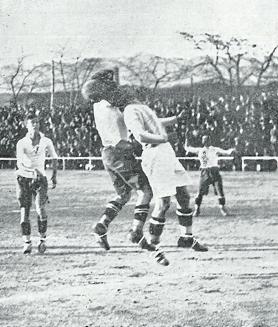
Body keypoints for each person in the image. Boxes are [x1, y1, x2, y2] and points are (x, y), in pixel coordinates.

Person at [81, 70, 168, 265]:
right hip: (119, 152)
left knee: (123, 195)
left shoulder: (98, 105)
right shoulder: (114, 104)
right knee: (145, 191)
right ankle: (136, 231)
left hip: (107, 154)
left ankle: (101, 226)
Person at [117, 86, 208, 254]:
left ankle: (186, 238)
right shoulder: (130, 111)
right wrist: (163, 137)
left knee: (183, 195)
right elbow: (140, 135)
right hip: (155, 153)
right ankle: (154, 243)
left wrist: (176, 119)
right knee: (163, 202)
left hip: (166, 152)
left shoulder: (139, 108)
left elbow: (155, 122)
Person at [16, 113, 58, 254]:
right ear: (26, 125)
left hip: (40, 180)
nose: (35, 125)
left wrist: (54, 175)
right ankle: (27, 243)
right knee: (24, 213)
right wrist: (32, 170)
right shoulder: (21, 143)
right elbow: (20, 162)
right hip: (24, 179)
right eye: (32, 122)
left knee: (40, 209)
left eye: (37, 122)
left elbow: (54, 158)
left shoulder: (46, 141)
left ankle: (42, 240)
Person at [184, 135, 234, 217]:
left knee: (219, 191)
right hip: (204, 172)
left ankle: (223, 209)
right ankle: (197, 209)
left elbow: (226, 152)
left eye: (207, 140)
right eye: (204, 140)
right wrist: (186, 141)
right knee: (200, 192)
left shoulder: (215, 149)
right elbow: (187, 148)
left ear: (210, 141)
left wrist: (231, 150)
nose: (205, 141)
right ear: (202, 141)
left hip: (214, 171)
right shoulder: (200, 150)